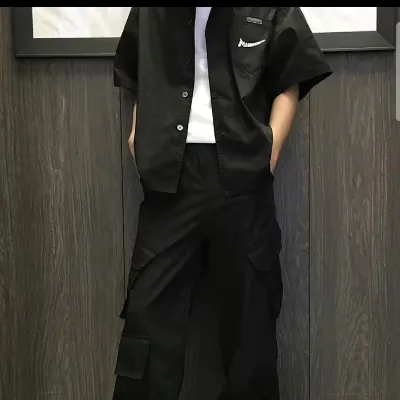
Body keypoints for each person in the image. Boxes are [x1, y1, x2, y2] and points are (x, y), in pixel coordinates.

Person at [112, 7, 332, 400]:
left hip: (241, 176)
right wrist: (137, 135)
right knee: (147, 321)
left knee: (251, 331)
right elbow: (139, 69)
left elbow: (291, 77)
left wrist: (270, 151)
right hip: (169, 178)